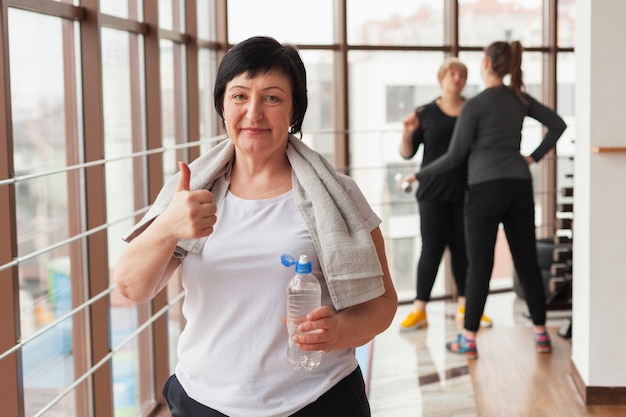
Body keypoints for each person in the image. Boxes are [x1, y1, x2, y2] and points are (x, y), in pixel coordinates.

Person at [113, 36, 397, 417]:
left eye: (273, 98)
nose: (254, 114)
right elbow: (132, 287)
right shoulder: (191, 195)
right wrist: (168, 227)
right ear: (223, 105)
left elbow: (382, 304)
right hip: (205, 401)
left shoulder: (339, 195)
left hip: (318, 400)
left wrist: (339, 333)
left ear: (294, 110)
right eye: (240, 96)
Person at [414, 41, 567, 359]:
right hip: (519, 186)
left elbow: (455, 157)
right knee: (525, 260)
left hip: (484, 190)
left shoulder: (476, 105)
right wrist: (532, 158)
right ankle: (541, 334)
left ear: (485, 64)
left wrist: (420, 174)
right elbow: (558, 125)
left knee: (479, 265)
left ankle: (468, 340)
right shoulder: (519, 98)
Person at [396, 58, 492, 332]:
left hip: (466, 191)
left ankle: (466, 308)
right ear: (442, 78)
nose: (457, 78)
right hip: (432, 192)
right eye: (451, 73)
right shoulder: (425, 112)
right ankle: (419, 311)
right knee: (431, 249)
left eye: (461, 74)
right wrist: (407, 132)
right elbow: (407, 152)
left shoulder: (473, 110)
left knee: (464, 251)